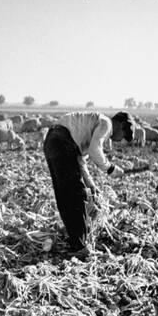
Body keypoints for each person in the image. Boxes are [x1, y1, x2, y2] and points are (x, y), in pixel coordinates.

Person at [43, 111, 134, 259]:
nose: (120, 140)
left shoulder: (89, 128)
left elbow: (80, 161)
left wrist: (91, 185)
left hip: (52, 141)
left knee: (65, 194)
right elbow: (95, 150)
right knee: (77, 195)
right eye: (123, 135)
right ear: (121, 124)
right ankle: (80, 246)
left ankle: (75, 241)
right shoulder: (106, 124)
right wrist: (110, 168)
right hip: (62, 140)